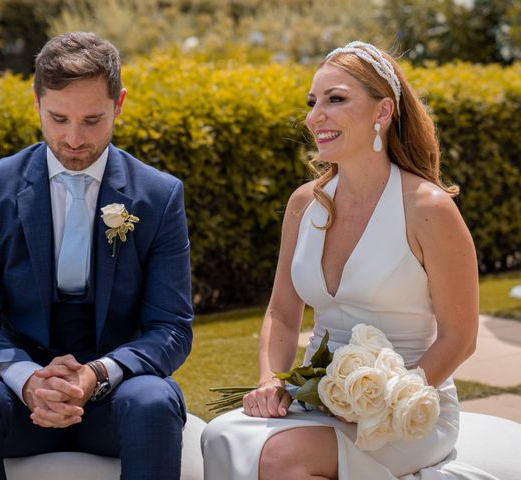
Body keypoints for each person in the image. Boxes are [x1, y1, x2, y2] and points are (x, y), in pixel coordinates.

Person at [201, 41, 484, 479]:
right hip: (315, 399)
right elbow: (281, 311)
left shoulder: (428, 208)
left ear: (382, 112)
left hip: (411, 409)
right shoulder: (303, 204)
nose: (316, 116)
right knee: (219, 434)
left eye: (336, 100)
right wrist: (272, 380)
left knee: (279, 458)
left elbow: (459, 337)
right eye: (313, 102)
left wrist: (393, 398)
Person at [0, 32, 193, 480]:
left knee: (155, 402)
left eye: (92, 120)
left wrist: (97, 373)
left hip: (116, 397)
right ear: (37, 104)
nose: (74, 139)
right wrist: (27, 378)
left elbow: (171, 327)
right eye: (58, 118)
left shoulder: (159, 195)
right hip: (17, 398)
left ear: (119, 104)